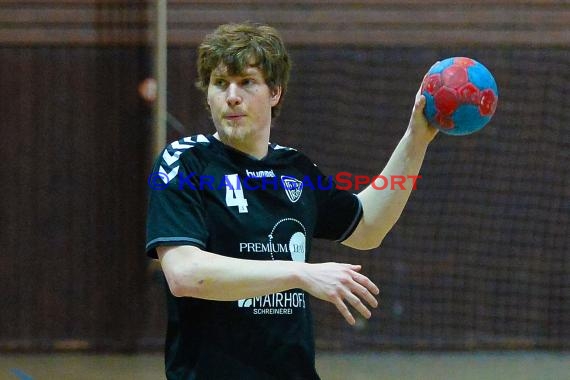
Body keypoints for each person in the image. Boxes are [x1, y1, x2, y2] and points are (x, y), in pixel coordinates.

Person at [146, 22, 437, 380]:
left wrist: (416, 138)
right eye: (220, 84)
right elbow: (185, 274)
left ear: (275, 93)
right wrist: (299, 273)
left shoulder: (295, 168)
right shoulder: (185, 162)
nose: (232, 96)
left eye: (247, 82)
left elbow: (367, 228)